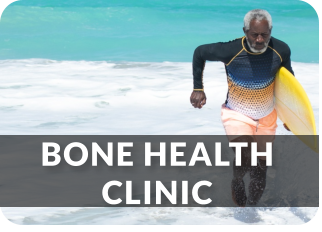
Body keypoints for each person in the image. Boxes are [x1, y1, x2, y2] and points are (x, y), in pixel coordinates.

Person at [190, 9, 294, 207]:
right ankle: (236, 180)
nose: (259, 39)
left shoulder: (281, 50)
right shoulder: (230, 50)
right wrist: (198, 88)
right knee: (245, 152)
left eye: (265, 34)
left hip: (267, 116)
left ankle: (251, 212)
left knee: (260, 171)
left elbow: (289, 85)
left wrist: (291, 118)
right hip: (237, 113)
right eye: (254, 34)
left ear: (270, 30)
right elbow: (199, 52)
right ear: (245, 31)